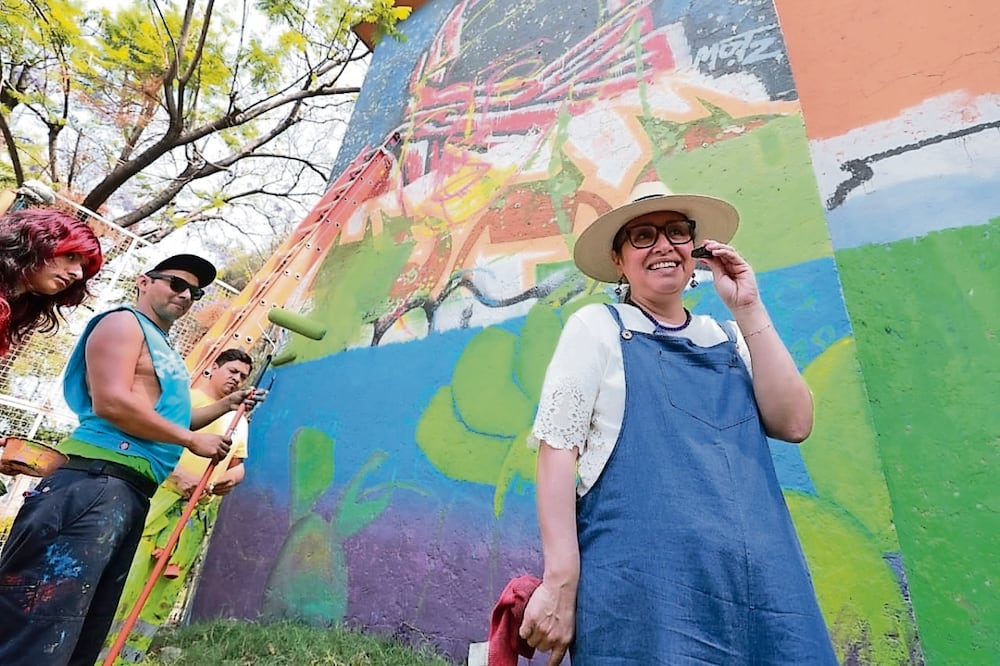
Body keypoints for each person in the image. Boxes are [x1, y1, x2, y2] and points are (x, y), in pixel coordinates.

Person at [518, 182, 837, 665]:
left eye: (676, 232)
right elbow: (557, 451)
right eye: (643, 236)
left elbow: (794, 423)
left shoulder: (730, 338)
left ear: (695, 249)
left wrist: (748, 307)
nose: (664, 246)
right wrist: (560, 583)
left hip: (763, 592)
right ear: (619, 260)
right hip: (647, 599)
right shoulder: (597, 328)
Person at [0, 253, 253, 665]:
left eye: (194, 292)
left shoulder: (164, 348)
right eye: (176, 283)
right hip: (94, 484)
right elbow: (112, 402)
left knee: (81, 633)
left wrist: (226, 404)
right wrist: (190, 440)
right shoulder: (123, 323)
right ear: (144, 282)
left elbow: (170, 417)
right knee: (40, 624)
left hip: (128, 491)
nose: (185, 295)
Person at [104, 348, 255, 664]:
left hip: (194, 517)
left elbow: (238, 464)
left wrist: (232, 478)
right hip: (157, 507)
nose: (237, 379)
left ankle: (129, 658)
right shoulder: (183, 401)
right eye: (232, 371)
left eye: (243, 376)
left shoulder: (238, 419)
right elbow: (143, 441)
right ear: (213, 367)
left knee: (161, 591)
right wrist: (177, 474)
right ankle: (98, 653)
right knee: (127, 580)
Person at [0, 207, 104, 356]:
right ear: (36, 242)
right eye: (70, 256)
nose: (78, 274)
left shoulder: (15, 308)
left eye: (82, 267)